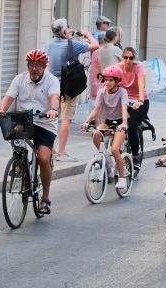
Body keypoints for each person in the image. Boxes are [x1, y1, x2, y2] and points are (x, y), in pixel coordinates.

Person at [0, 49, 60, 214]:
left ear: (44, 66)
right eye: (31, 65)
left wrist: (53, 109)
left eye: (38, 65)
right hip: (25, 121)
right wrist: (1, 110)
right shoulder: (20, 79)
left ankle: (45, 199)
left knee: (43, 158)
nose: (34, 69)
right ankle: (20, 165)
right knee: (13, 135)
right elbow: (9, 97)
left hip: (45, 123)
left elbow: (54, 97)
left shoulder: (51, 80)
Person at [46, 18, 100, 161]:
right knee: (66, 119)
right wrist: (87, 34)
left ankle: (50, 149)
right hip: (68, 87)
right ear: (65, 31)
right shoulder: (73, 44)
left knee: (49, 119)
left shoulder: (49, 44)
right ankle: (62, 153)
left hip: (52, 87)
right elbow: (95, 45)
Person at [81, 65, 131, 191]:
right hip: (108, 121)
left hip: (120, 122)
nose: (107, 82)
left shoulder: (122, 92)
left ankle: (122, 177)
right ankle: (108, 165)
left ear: (117, 81)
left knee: (114, 150)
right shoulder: (101, 92)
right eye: (105, 79)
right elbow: (96, 109)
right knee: (96, 134)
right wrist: (86, 121)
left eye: (111, 80)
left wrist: (124, 123)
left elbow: (124, 108)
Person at [117, 46, 149, 164]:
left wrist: (140, 101)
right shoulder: (118, 67)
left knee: (131, 127)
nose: (128, 60)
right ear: (122, 58)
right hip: (124, 100)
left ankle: (135, 155)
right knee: (116, 125)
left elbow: (141, 85)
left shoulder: (138, 67)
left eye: (131, 58)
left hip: (139, 100)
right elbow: (111, 81)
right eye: (126, 57)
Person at [88, 16, 117, 100]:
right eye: (107, 24)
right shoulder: (99, 35)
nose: (108, 26)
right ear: (101, 24)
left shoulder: (94, 34)